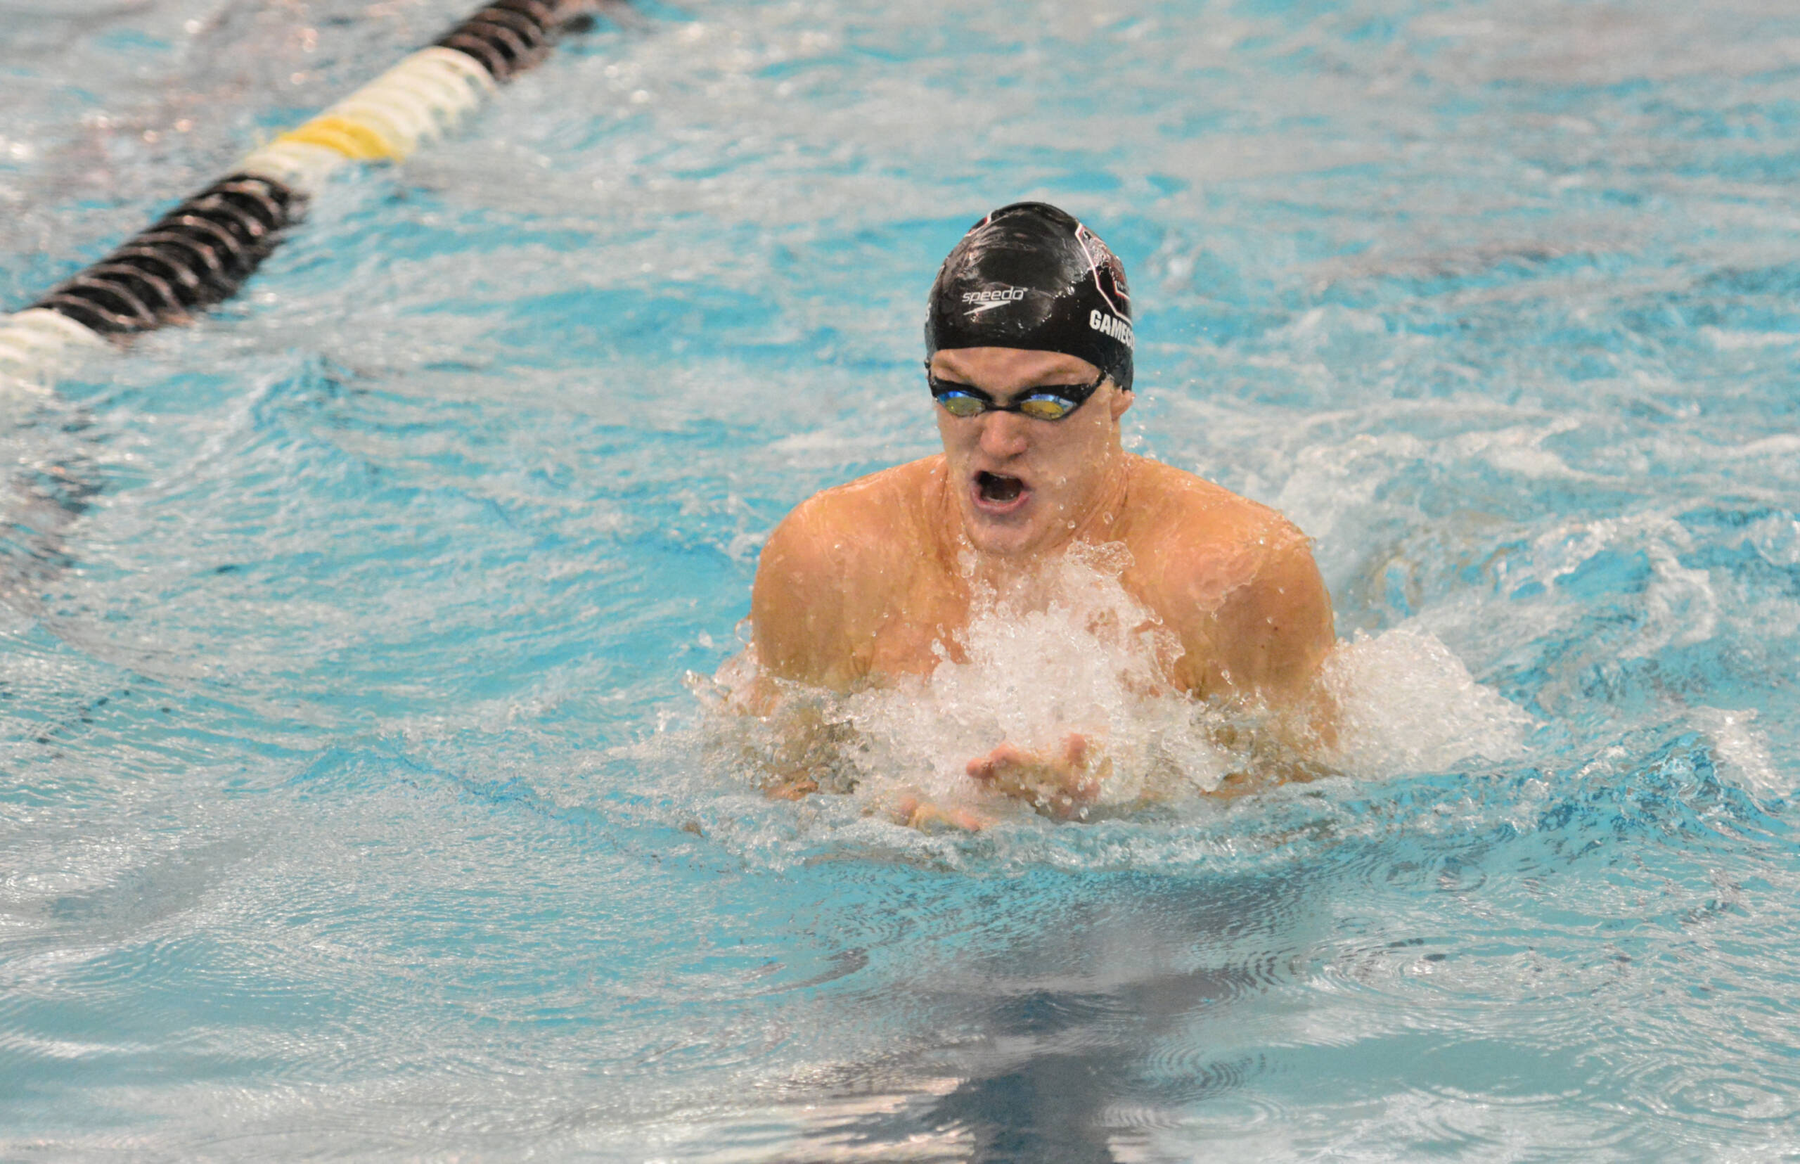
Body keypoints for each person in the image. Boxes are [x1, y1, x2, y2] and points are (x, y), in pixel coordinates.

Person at [739, 202, 1335, 827]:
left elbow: (1311, 819)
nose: (997, 442)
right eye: (960, 395)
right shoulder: (830, 558)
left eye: (1046, 401)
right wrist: (874, 834)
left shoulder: (1238, 574)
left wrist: (1112, 815)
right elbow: (761, 792)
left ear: (1117, 397)